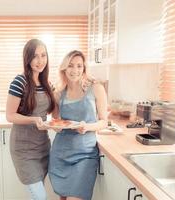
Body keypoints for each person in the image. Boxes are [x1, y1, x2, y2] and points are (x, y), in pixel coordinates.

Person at [48, 50, 108, 200]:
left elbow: (103, 121)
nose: (75, 70)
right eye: (71, 66)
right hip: (60, 154)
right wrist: (56, 126)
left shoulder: (95, 88)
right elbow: (56, 121)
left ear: (84, 68)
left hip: (85, 155)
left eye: (79, 66)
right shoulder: (58, 93)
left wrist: (87, 127)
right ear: (64, 68)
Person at [6, 39, 56, 200]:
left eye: (43, 55)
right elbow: (10, 115)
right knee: (40, 196)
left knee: (36, 196)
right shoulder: (19, 82)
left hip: (42, 146)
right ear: (27, 58)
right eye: (35, 56)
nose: (40, 61)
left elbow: (55, 113)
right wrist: (34, 120)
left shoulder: (47, 83)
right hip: (24, 149)